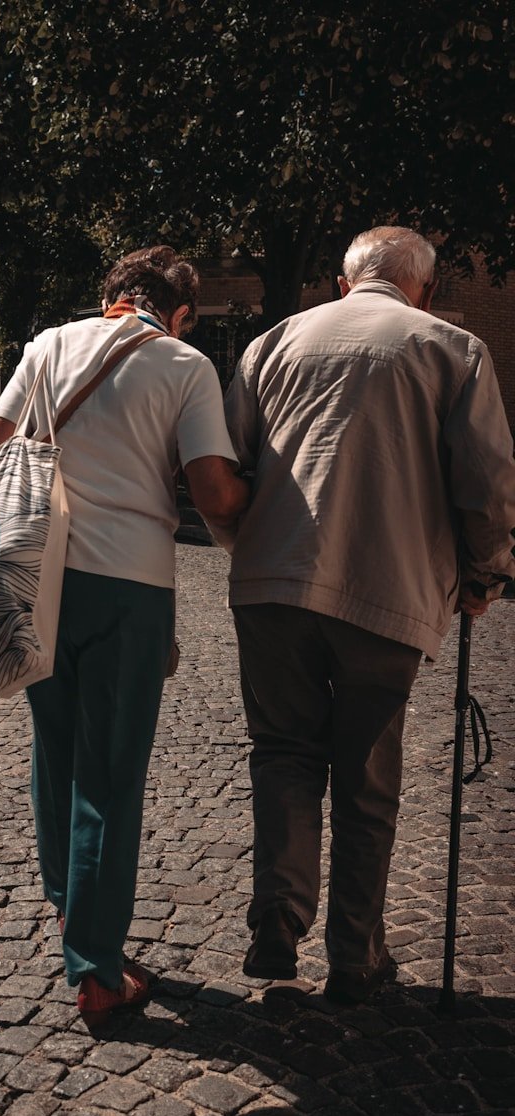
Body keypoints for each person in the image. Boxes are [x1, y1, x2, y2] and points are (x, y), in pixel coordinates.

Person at [224, 226, 515, 1004]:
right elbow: (486, 483)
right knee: (365, 776)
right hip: (384, 591)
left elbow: (227, 471)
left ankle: (278, 923)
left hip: (272, 586)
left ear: (346, 284)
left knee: (283, 753)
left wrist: (245, 552)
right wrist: (485, 575)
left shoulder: (271, 343)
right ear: (424, 288)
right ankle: (356, 955)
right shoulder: (453, 347)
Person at [0, 246, 250, 1025]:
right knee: (111, 774)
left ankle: (72, 912)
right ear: (181, 310)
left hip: (41, 577)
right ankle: (97, 970)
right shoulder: (185, 365)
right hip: (129, 585)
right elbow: (212, 488)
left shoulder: (49, 345)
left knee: (54, 753)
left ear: (110, 298)